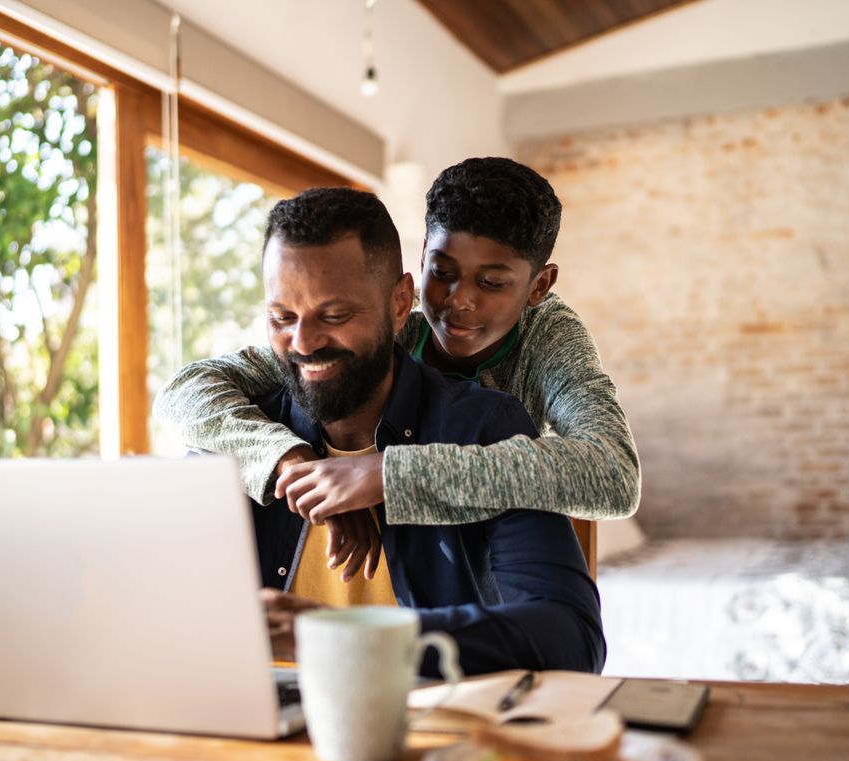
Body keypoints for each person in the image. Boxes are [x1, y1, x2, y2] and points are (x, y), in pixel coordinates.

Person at [155, 157, 639, 582]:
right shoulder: (388, 325)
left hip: (490, 564)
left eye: (491, 282)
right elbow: (186, 390)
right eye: (442, 272)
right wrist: (294, 461)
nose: (458, 301)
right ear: (421, 257)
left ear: (540, 285)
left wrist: (388, 475)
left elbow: (614, 474)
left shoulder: (549, 339)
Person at [244, 187, 604, 675]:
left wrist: (354, 640)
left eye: (335, 315)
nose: (303, 343)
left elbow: (571, 640)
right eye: (281, 317)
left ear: (399, 304)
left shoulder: (483, 428)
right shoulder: (238, 439)